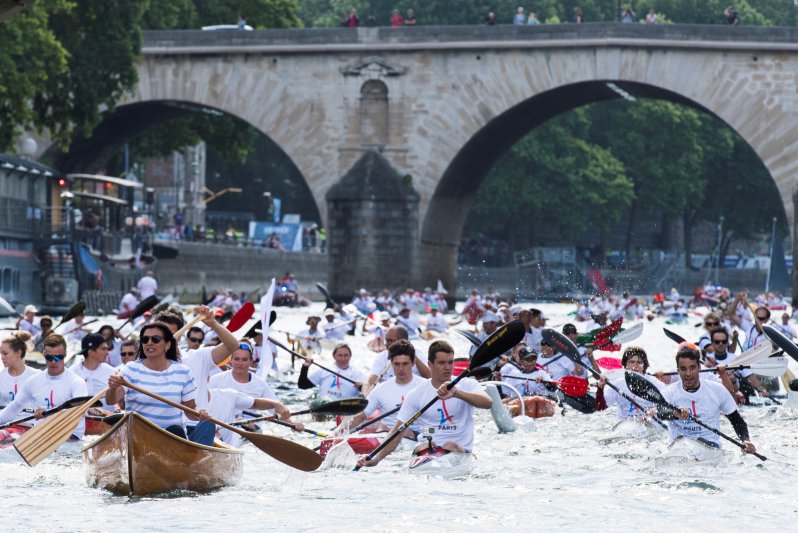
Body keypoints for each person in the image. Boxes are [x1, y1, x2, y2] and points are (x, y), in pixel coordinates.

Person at [356, 340, 492, 468]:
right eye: (442, 363)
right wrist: (376, 459)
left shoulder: (466, 384)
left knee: (451, 445)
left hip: (459, 451)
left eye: (450, 362)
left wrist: (457, 393)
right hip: (427, 450)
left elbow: (487, 403)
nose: (448, 368)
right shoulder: (417, 393)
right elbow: (397, 432)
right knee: (425, 445)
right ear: (430, 364)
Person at [107, 322, 214, 445]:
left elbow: (190, 410)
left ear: (167, 344)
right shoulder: (130, 369)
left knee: (206, 424)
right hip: (138, 437)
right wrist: (112, 388)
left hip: (172, 437)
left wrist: (200, 412)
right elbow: (111, 400)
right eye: (145, 339)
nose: (149, 343)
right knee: (174, 431)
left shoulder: (182, 371)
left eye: (155, 339)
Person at [654, 344, 756, 454]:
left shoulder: (717, 390)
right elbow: (660, 412)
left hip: (710, 447)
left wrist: (745, 440)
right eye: (683, 369)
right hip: (678, 447)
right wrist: (675, 414)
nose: (688, 373)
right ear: (678, 370)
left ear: (699, 368)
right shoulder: (669, 392)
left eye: (692, 368)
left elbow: (737, 420)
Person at [0, 334, 88, 439]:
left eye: (58, 357)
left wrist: (48, 415)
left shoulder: (76, 382)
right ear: (44, 355)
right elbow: (14, 407)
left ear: (65, 355)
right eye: (49, 357)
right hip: (41, 435)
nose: (53, 361)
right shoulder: (33, 381)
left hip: (70, 436)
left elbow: (79, 412)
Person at [346, 340, 426, 433]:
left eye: (405, 364)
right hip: (386, 434)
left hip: (416, 436)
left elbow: (434, 424)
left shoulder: (425, 387)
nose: (400, 369)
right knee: (380, 429)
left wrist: (428, 439)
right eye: (396, 364)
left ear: (413, 362)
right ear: (391, 363)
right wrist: (335, 433)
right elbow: (360, 417)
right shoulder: (381, 389)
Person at [209, 340, 280, 419]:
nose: (240, 363)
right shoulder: (216, 380)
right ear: (230, 360)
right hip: (223, 425)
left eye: (244, 359)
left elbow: (278, 410)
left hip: (251, 427)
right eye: (236, 359)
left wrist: (294, 424)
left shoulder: (260, 384)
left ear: (251, 361)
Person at [596, 347, 665, 419]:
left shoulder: (654, 383)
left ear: (644, 365)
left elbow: (669, 405)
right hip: (625, 424)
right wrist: (600, 389)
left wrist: (655, 410)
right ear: (625, 365)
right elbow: (600, 407)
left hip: (649, 423)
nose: (635, 366)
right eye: (631, 362)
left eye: (639, 362)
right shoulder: (617, 384)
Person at [364, 325, 431, 394]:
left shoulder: (417, 353)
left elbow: (429, 377)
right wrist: (364, 395)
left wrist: (412, 354)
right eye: (386, 340)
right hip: (388, 395)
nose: (386, 344)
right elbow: (371, 380)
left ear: (404, 340)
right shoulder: (382, 357)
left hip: (413, 394)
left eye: (390, 341)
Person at [298, 343, 364, 399]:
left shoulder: (358, 374)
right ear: (334, 356)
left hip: (346, 408)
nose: (343, 359)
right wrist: (305, 367)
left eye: (346, 355)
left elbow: (369, 392)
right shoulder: (324, 370)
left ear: (350, 356)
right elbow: (302, 385)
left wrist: (362, 387)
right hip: (325, 406)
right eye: (340, 355)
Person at [73, 333, 116, 406]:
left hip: (107, 416)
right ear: (91, 352)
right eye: (103, 349)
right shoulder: (73, 373)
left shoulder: (112, 372)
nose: (107, 353)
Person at [0, 332, 40, 409]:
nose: (2, 357)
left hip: (30, 420)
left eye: (5, 353)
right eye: (1, 354)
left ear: (18, 352)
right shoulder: (1, 377)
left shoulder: (36, 376)